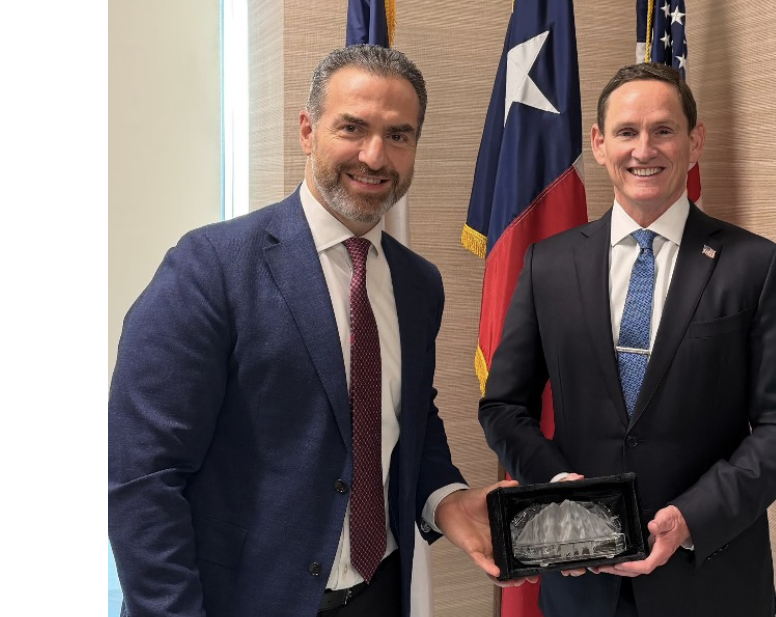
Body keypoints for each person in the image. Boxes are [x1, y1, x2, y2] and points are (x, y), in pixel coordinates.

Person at [109, 45, 515, 617]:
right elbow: (143, 475)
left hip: (378, 595)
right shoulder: (210, 267)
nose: (375, 155)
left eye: (398, 135)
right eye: (353, 127)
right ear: (307, 130)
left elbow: (406, 417)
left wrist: (447, 499)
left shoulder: (419, 284)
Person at [478, 62, 776, 616]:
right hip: (580, 585)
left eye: (663, 130)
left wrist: (691, 518)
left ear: (695, 141)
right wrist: (560, 488)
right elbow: (503, 407)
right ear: (599, 144)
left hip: (712, 583)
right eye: (626, 132)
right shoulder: (548, 265)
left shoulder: (756, 266)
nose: (644, 149)